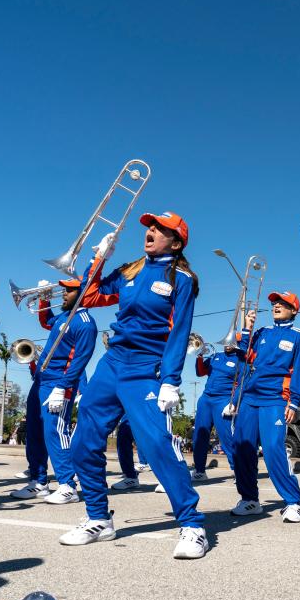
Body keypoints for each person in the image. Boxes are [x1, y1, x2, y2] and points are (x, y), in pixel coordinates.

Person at [60, 211, 209, 560]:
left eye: (160, 229)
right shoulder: (130, 269)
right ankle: (98, 519)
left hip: (147, 367)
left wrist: (171, 379)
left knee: (156, 443)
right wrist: (100, 259)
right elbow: (89, 296)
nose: (151, 231)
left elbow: (179, 331)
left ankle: (193, 524)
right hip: (112, 364)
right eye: (150, 227)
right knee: (84, 440)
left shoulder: (182, 278)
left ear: (176, 241)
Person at [10, 278, 96, 504]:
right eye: (63, 290)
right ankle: (39, 481)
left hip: (59, 382)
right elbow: (46, 320)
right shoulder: (64, 317)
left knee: (55, 432)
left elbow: (81, 359)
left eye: (69, 290)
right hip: (41, 380)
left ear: (82, 293)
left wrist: (63, 387)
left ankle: (68, 485)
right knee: (35, 430)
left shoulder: (85, 322)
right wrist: (44, 298)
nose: (64, 294)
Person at [227, 292, 300, 522]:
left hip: (275, 398)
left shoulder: (299, 336)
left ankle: (293, 502)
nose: (276, 306)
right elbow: (244, 356)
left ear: (294, 310)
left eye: (283, 303)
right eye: (274, 303)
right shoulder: (262, 332)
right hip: (251, 397)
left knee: (273, 448)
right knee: (242, 447)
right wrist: (247, 328)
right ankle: (250, 499)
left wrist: (293, 401)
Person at [190, 344, 242, 481]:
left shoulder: (240, 360)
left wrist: (233, 403)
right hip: (206, 399)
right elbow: (200, 373)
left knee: (227, 437)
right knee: (199, 435)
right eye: (226, 342)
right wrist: (200, 356)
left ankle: (238, 471)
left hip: (223, 400)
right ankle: (200, 471)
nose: (227, 345)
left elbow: (242, 383)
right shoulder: (215, 356)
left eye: (231, 342)